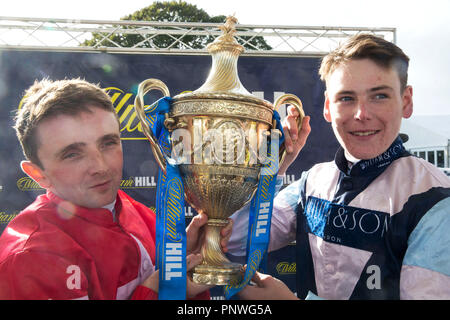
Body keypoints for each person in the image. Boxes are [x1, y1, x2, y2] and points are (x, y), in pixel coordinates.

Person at [229, 34, 450, 300]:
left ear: (406, 101)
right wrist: (273, 166)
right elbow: (236, 240)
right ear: (327, 107)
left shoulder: (436, 198)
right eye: (346, 98)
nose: (361, 114)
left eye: (379, 95)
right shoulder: (313, 182)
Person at [0, 78, 229, 300]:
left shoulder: (130, 208)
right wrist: (159, 291)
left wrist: (178, 255)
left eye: (108, 143)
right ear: (38, 174)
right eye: (72, 154)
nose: (100, 167)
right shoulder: (30, 257)